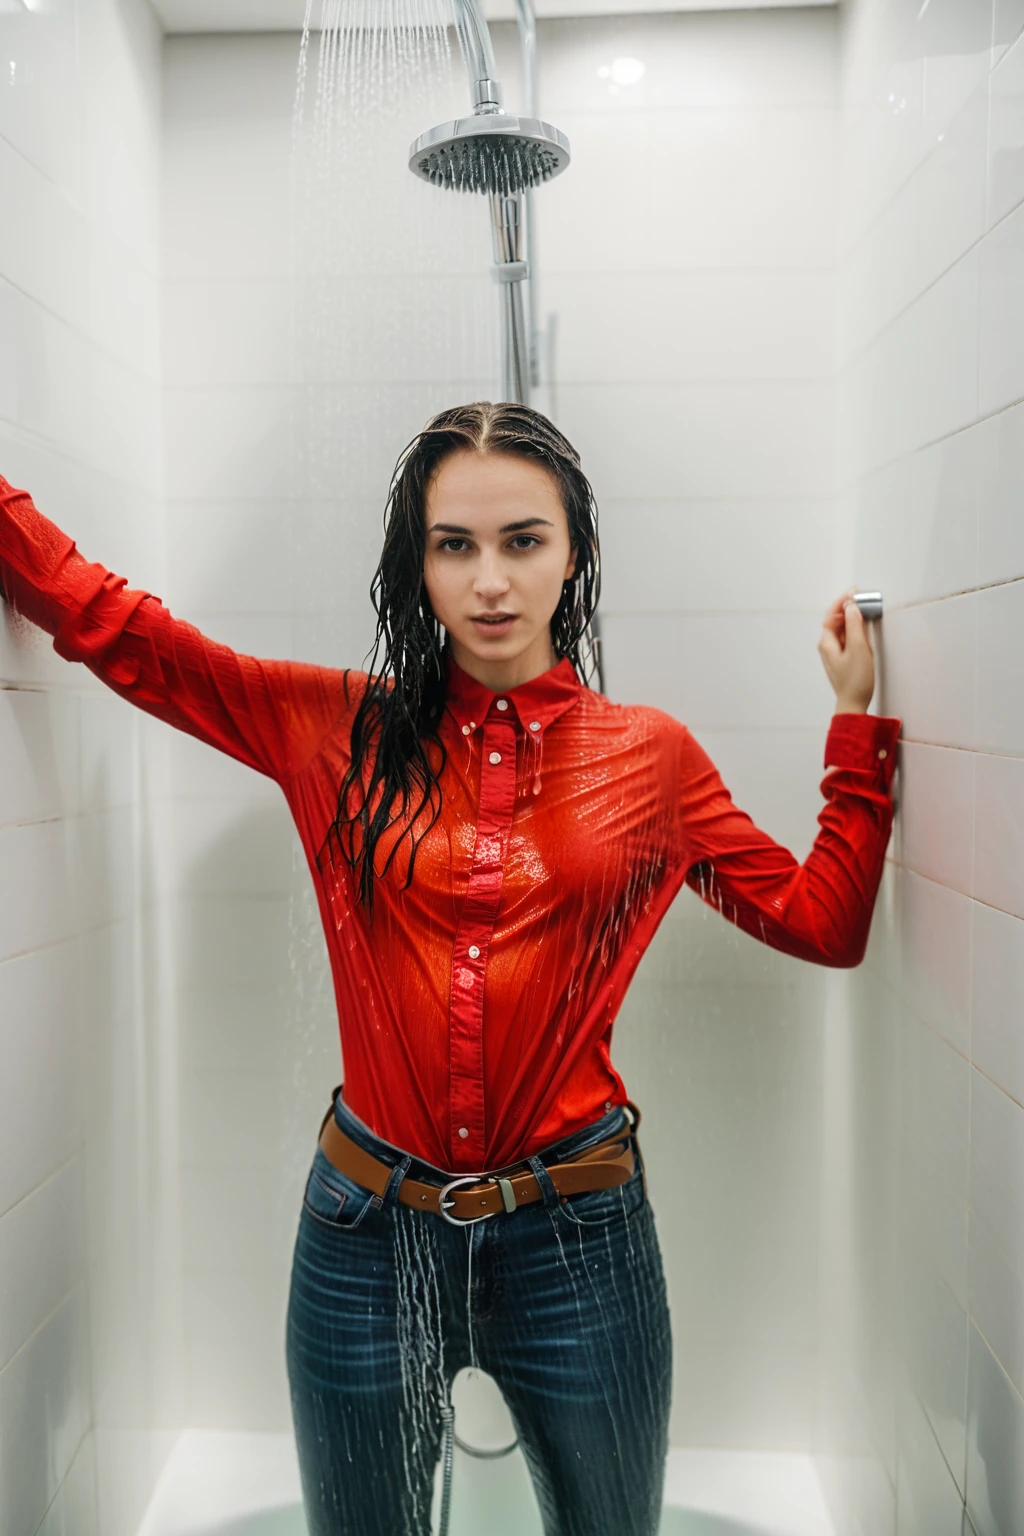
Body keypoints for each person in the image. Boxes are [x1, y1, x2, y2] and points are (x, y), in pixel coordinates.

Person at [0, 401, 901, 1536]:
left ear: (572, 552)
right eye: (454, 544)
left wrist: (855, 726)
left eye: (523, 540)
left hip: (580, 1244)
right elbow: (125, 637)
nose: (489, 581)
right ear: (413, 562)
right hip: (363, 1243)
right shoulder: (330, 728)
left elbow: (819, 922)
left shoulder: (651, 761)